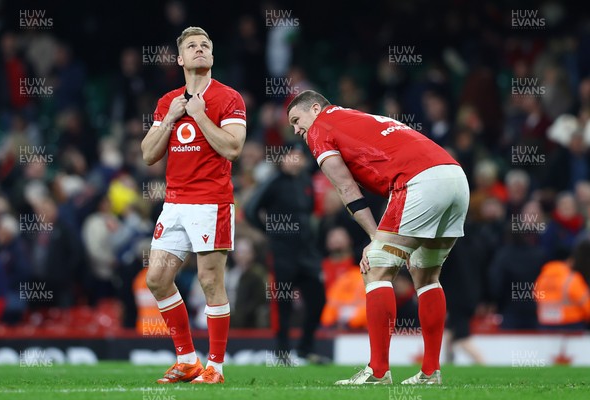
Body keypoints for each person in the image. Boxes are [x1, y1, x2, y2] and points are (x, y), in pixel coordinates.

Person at [287, 90, 469, 385]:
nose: (297, 130)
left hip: (419, 181)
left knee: (376, 266)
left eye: (297, 120)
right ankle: (430, 372)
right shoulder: (359, 117)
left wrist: (374, 238)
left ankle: (378, 371)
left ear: (316, 108)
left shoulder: (320, 128)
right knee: (426, 276)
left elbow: (346, 188)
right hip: (455, 177)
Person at [140, 26, 246, 384]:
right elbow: (148, 155)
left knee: (210, 279)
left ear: (212, 57)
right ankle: (187, 359)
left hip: (211, 202)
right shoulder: (167, 101)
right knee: (156, 278)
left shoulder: (229, 98)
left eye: (205, 46)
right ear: (181, 59)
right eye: (192, 46)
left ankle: (214, 367)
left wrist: (199, 115)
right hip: (174, 203)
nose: (199, 50)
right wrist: (171, 117)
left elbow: (233, 148)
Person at [244, 142, 328, 364]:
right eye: (292, 156)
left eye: (299, 157)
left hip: (307, 254)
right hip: (282, 254)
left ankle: (305, 348)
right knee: (283, 304)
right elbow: (250, 209)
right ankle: (282, 352)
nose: (296, 161)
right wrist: (270, 232)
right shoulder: (272, 182)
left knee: (318, 299)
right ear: (282, 159)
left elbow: (310, 213)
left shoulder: (305, 180)